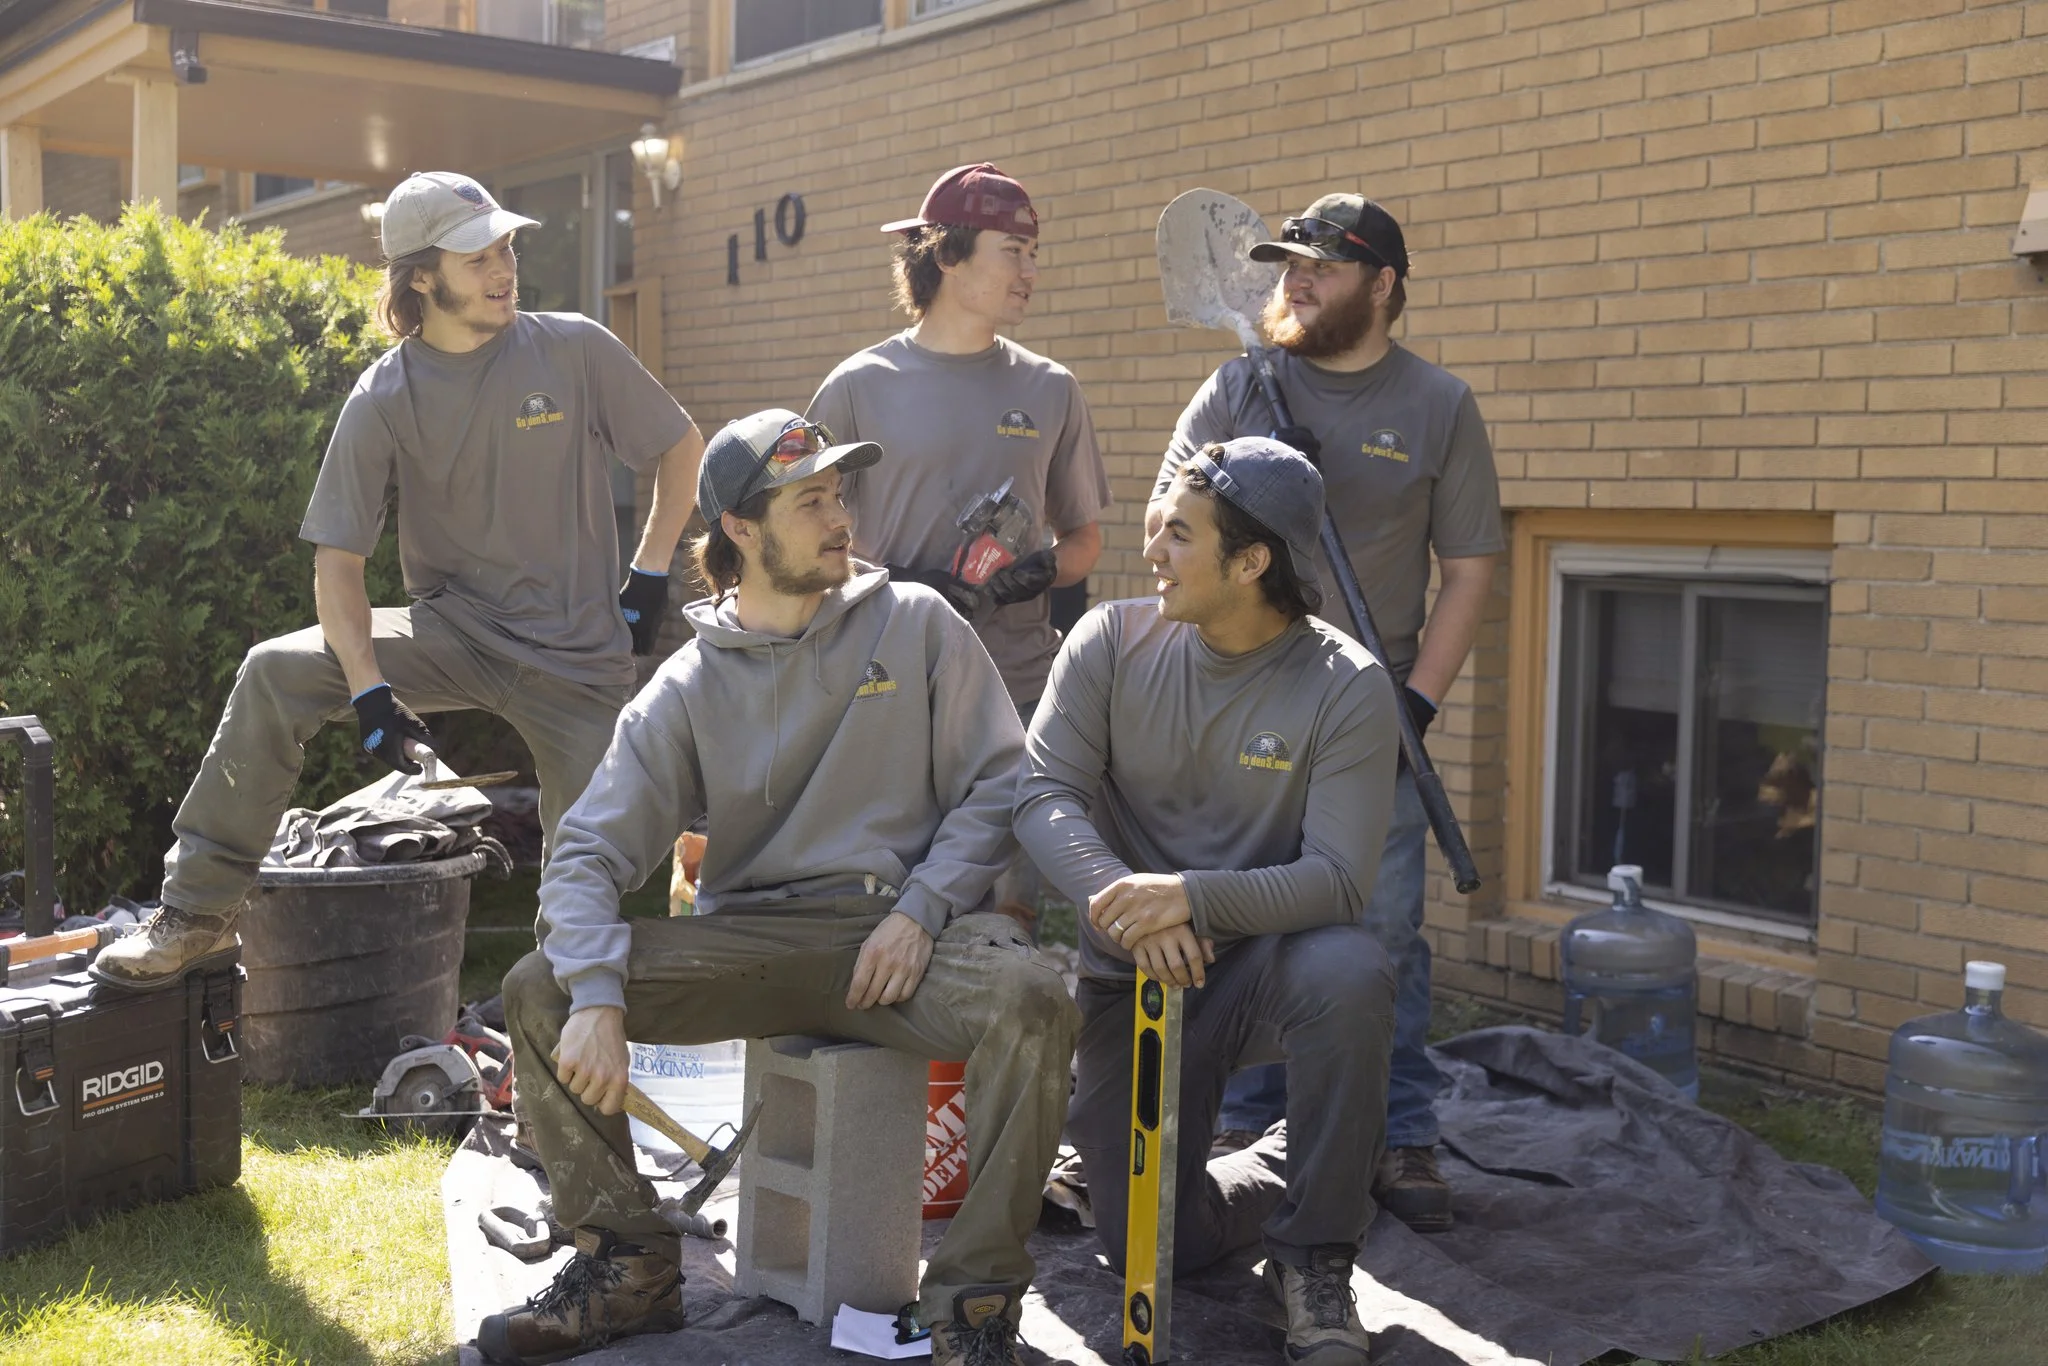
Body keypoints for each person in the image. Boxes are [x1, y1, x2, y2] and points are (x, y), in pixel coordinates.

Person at [479, 410, 1079, 1366]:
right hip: (754, 944)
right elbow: (589, 849)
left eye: (840, 495)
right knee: (540, 991)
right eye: (812, 502)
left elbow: (1000, 784)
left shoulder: (918, 624)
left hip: (901, 941)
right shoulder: (687, 686)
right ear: (743, 532)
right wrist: (597, 993)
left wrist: (923, 910)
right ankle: (629, 1268)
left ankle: (970, 1308)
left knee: (1036, 995)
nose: (840, 517)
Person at [93, 170, 705, 991]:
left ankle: (561, 1055)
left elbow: (680, 446)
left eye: (506, 248)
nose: (504, 269)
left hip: (580, 660)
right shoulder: (383, 396)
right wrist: (370, 691)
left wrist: (651, 569)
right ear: (422, 275)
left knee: (591, 899)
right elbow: (337, 565)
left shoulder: (575, 348)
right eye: (478, 255)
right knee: (274, 670)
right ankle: (197, 913)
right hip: (454, 633)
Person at [1155, 193, 1503, 1233]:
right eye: (1283, 266)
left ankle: (1398, 1133)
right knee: (1240, 917)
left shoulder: (1438, 404)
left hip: (1369, 711)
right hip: (1240, 707)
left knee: (1381, 925)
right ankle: (1252, 1126)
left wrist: (1418, 701)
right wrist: (1247, 470)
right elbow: (1163, 524)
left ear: (1383, 285)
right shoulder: (1237, 386)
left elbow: (1471, 568)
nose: (1292, 282)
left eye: (1320, 267)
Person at [1016, 438, 1400, 1366]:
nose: (1153, 549)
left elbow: (1340, 880)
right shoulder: (1108, 641)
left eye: (1180, 534)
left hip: (1265, 967)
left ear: (1251, 560)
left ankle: (1315, 1256)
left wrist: (1189, 899)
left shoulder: (1347, 686)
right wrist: (1126, 905)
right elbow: (1038, 795)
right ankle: (1288, 1163)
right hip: (1132, 972)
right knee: (1151, 1250)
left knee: (1353, 971)